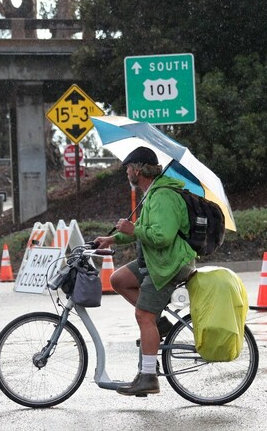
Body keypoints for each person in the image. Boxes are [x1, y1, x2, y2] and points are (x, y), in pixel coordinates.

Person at [94, 146, 196, 396]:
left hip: (170, 264)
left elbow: (162, 237)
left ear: (138, 169)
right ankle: (160, 324)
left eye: (128, 167)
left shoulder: (163, 196)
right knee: (119, 279)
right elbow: (144, 230)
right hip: (157, 259)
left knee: (143, 316)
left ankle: (149, 377)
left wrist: (132, 230)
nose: (126, 171)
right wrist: (113, 239)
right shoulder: (151, 194)